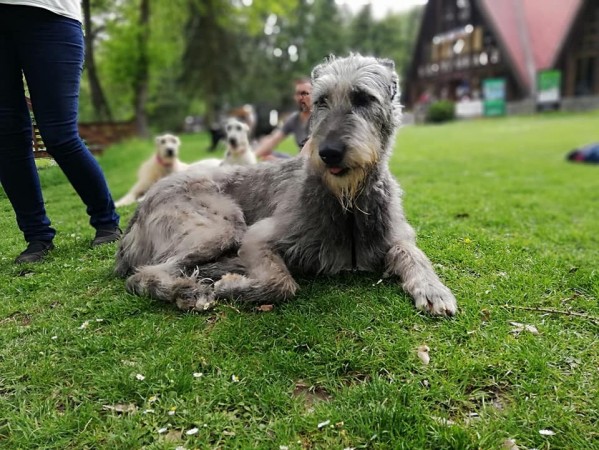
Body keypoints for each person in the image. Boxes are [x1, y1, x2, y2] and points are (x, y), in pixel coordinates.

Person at [0, 1, 121, 263]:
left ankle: (107, 222)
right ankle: (37, 237)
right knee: (7, 137)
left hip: (51, 14)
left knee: (59, 134)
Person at [254, 77, 312, 160]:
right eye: (297, 94)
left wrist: (278, 162)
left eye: (304, 93)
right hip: (298, 161)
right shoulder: (294, 119)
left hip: (311, 163)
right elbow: (274, 140)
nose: (300, 97)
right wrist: (252, 156)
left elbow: (311, 156)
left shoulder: (320, 118)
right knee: (267, 153)